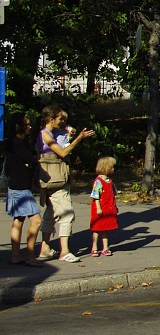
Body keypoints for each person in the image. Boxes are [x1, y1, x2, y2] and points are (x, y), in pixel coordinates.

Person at [37, 105, 95, 262]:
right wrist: (79, 139)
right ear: (51, 119)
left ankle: (45, 248)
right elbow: (62, 152)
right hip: (55, 180)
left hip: (52, 179)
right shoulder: (46, 135)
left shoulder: (51, 133)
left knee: (51, 213)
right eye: (60, 118)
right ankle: (64, 251)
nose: (63, 121)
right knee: (67, 213)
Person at [5, 113, 44, 267]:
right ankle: (30, 255)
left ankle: (16, 255)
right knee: (36, 220)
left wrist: (28, 163)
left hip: (15, 185)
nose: (28, 127)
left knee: (18, 220)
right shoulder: (17, 143)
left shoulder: (11, 143)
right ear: (19, 127)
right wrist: (31, 162)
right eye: (26, 125)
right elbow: (31, 159)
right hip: (21, 188)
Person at [89, 156, 119, 257]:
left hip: (108, 207)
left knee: (105, 228)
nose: (113, 169)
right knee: (97, 228)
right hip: (100, 208)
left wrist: (115, 206)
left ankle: (105, 248)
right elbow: (95, 195)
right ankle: (94, 248)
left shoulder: (110, 180)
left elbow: (113, 194)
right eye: (112, 167)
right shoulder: (98, 181)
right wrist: (98, 207)